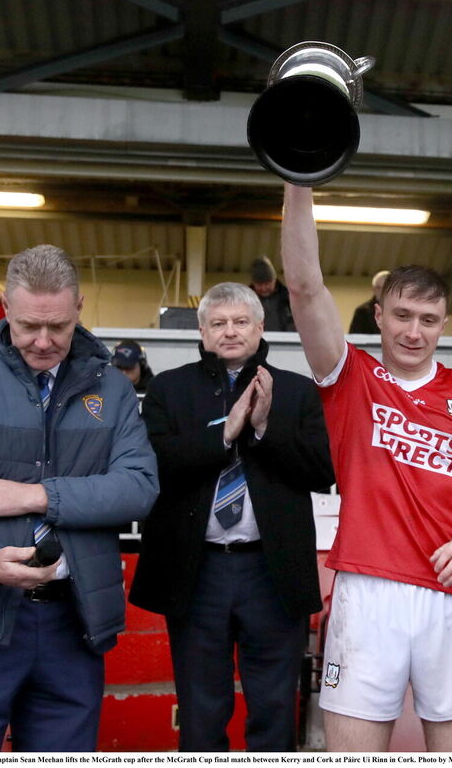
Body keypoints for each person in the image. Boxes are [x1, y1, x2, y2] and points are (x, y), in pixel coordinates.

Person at [279, 184, 452, 751]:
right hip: (368, 594)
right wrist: (298, 178)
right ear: (379, 314)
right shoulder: (349, 375)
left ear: (444, 323)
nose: (415, 332)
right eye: (403, 315)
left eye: (430, 319)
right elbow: (303, 284)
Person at [0, 244, 158, 751]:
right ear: (5, 310)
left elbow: (139, 487)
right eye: (28, 327)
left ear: (80, 307)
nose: (43, 341)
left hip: (72, 622)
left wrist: (33, 495)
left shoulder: (113, 387)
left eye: (58, 327)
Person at [130, 283, 332, 751]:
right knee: (201, 710)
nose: (230, 331)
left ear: (260, 328)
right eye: (218, 323)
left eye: (240, 321)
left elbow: (323, 470)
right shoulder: (168, 389)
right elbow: (154, 467)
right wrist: (225, 435)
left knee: (276, 707)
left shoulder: (298, 391)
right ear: (202, 333)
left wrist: (263, 428)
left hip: (272, 571)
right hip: (197, 571)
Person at [249, 256, 295, 332]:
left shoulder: (289, 298)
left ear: (274, 280)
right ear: (253, 283)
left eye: (267, 283)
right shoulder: (244, 300)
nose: (264, 288)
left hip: (285, 341)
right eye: (259, 284)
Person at [349, 270, 390, 335]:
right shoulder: (362, 312)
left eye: (386, 287)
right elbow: (354, 338)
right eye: (379, 288)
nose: (383, 291)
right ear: (374, 289)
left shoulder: (400, 310)